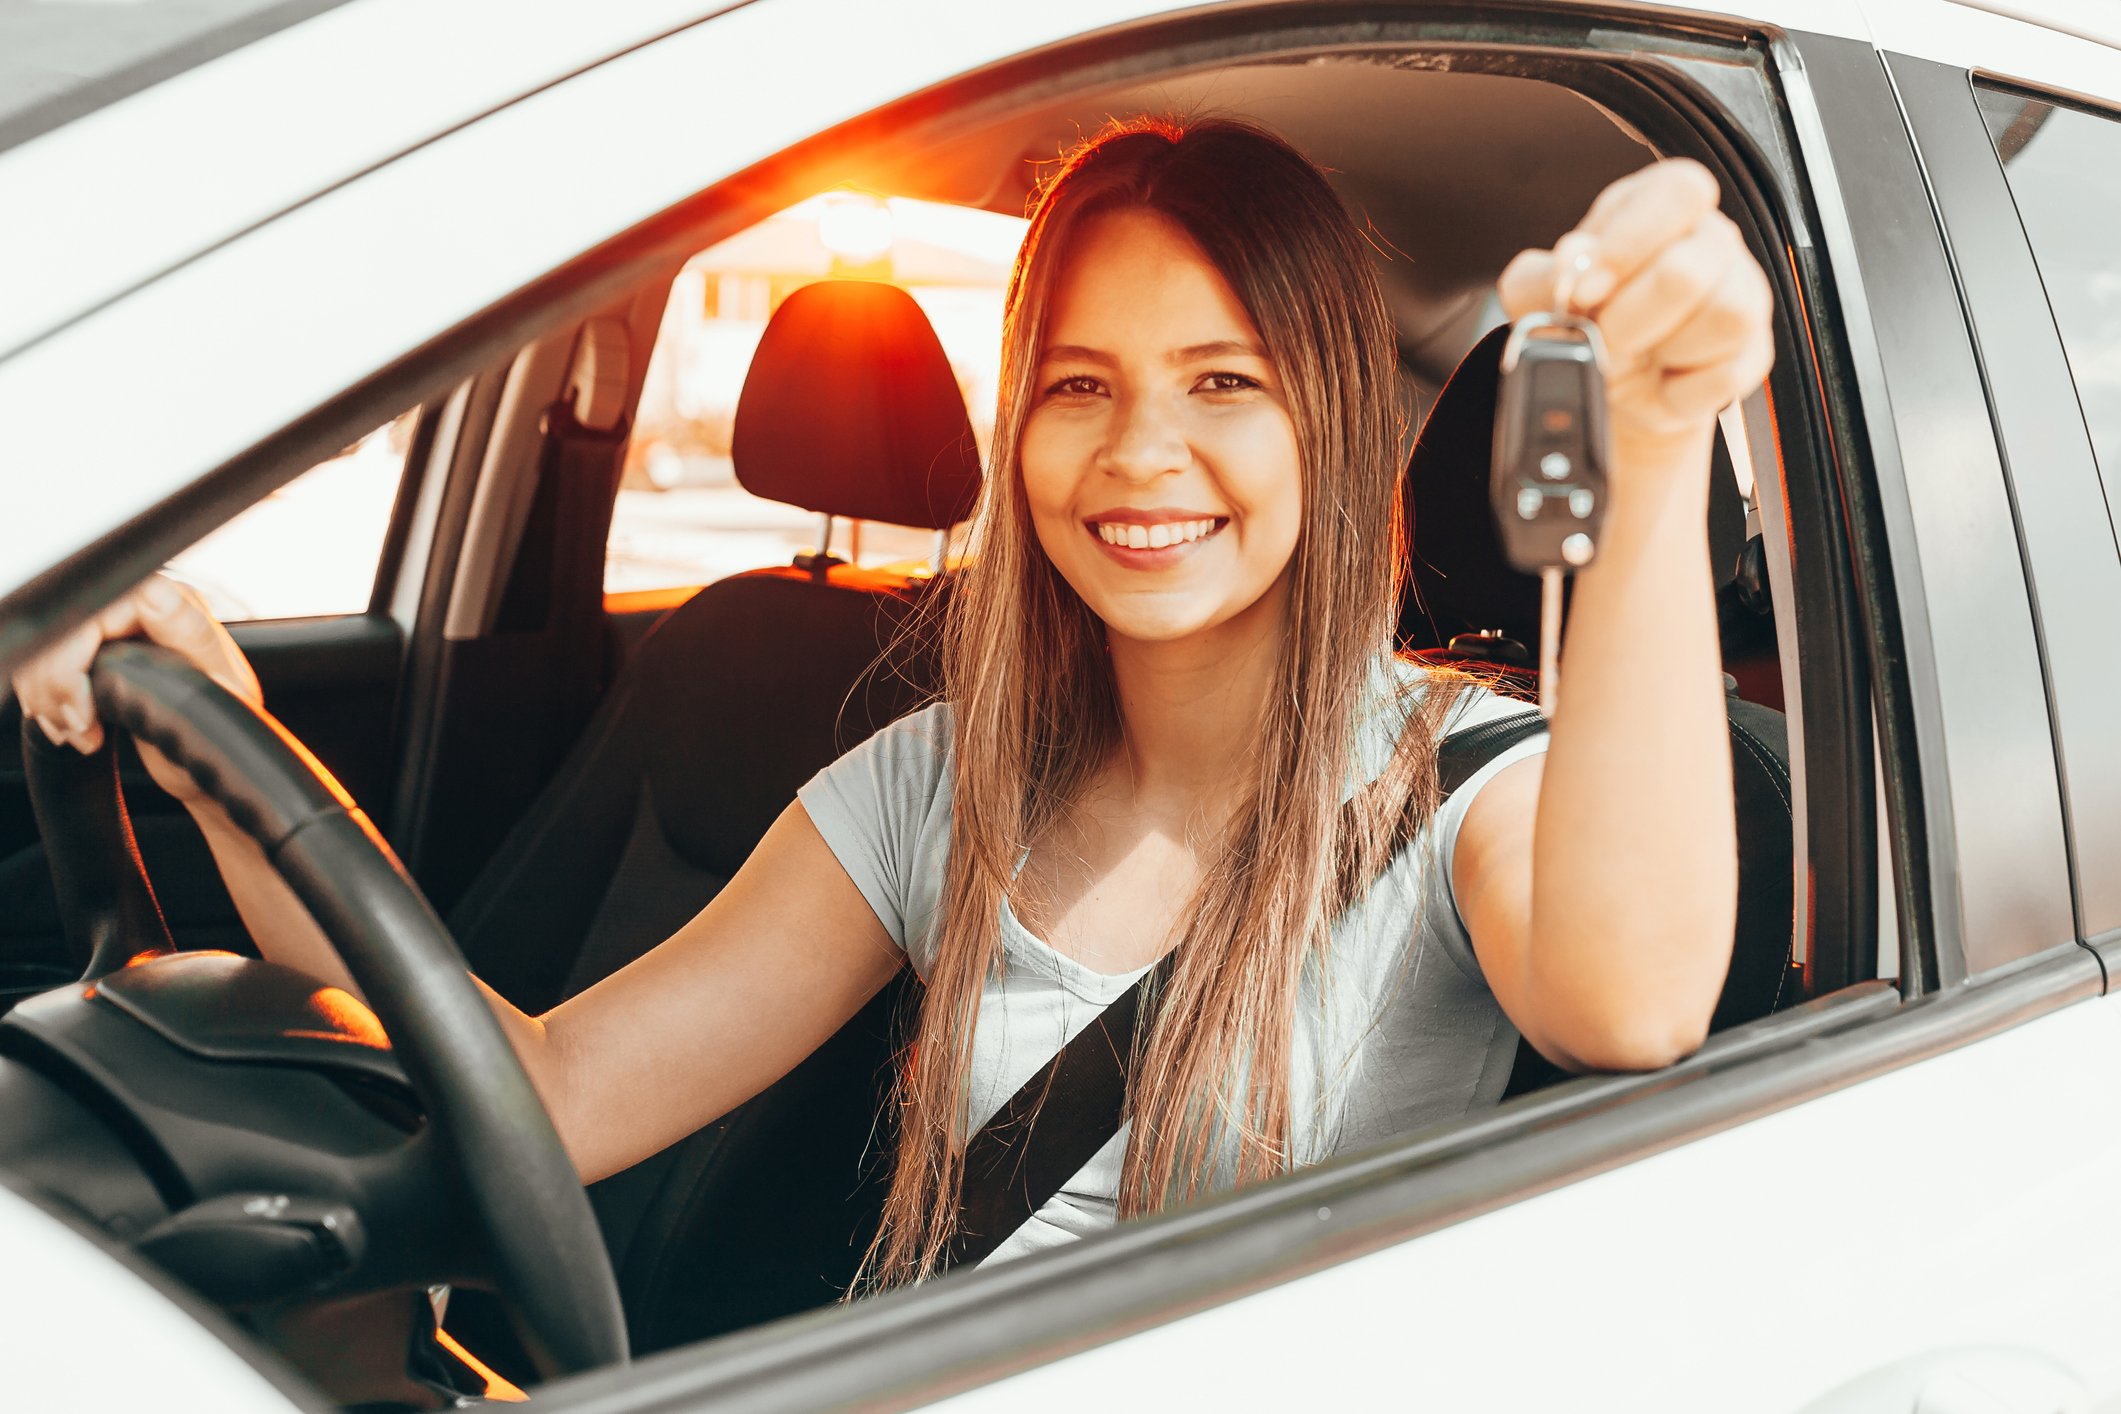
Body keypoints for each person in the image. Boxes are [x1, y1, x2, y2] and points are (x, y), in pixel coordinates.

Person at [10, 117, 1772, 1288]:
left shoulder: (1458, 784)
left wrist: (1650, 437)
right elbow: (544, 1093)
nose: (1139, 451)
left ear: (1329, 423)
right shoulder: (937, 781)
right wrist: (225, 742)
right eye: (1078, 385)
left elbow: (1628, 993)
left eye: (1220, 381)